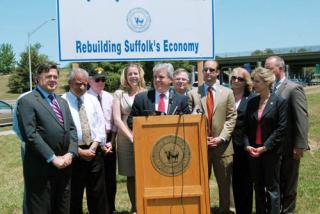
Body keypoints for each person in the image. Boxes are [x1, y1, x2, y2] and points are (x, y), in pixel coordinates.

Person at [16, 64, 78, 214]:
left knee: (62, 208)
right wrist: (52, 158)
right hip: (41, 168)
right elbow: (30, 135)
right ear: (37, 79)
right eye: (48, 76)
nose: (52, 80)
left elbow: (72, 130)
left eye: (55, 77)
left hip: (64, 166)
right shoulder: (27, 101)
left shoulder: (62, 102)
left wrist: (70, 153)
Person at [188, 60, 237, 214]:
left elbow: (231, 117)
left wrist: (221, 138)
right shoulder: (193, 93)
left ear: (218, 73)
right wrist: (201, 137)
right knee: (200, 183)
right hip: (200, 147)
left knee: (225, 184)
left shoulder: (227, 92)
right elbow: (190, 120)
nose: (208, 72)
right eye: (205, 70)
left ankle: (228, 211)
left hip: (223, 146)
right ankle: (202, 210)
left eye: (212, 70)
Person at [265, 56, 309, 214]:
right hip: (271, 147)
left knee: (289, 183)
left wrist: (300, 145)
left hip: (289, 146)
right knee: (274, 183)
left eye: (269, 68)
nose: (266, 71)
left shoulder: (293, 88)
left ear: (280, 69)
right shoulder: (267, 89)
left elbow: (301, 118)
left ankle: (288, 211)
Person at [62, 68, 109, 214]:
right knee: (74, 193)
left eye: (84, 84)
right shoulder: (62, 102)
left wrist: (94, 147)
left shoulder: (92, 99)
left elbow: (100, 125)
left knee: (97, 192)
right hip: (74, 152)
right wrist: (79, 151)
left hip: (94, 150)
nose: (82, 87)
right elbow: (62, 132)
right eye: (78, 84)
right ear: (70, 83)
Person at [244, 67, 287, 214]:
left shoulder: (280, 102)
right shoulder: (251, 102)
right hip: (253, 151)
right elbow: (245, 128)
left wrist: (265, 147)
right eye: (253, 81)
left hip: (271, 152)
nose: (253, 84)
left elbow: (281, 129)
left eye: (257, 81)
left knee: (272, 188)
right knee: (258, 186)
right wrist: (247, 146)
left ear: (267, 82)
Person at [112, 63, 146, 213]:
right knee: (131, 175)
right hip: (125, 138)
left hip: (144, 137)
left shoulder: (147, 92)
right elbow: (117, 119)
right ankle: (135, 207)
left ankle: (146, 205)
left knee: (145, 172)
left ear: (140, 75)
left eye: (135, 73)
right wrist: (131, 136)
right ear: (125, 76)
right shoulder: (119, 94)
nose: (133, 76)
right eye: (130, 74)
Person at [88, 67, 117, 214]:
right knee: (96, 182)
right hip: (93, 144)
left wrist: (111, 141)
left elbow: (113, 122)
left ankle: (111, 208)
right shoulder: (85, 97)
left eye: (103, 79)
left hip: (109, 143)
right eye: (97, 79)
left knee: (110, 180)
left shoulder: (109, 97)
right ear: (90, 80)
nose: (100, 82)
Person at [128, 62, 190, 127]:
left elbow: (187, 123)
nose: (157, 80)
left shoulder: (181, 99)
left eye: (161, 77)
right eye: (155, 77)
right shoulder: (141, 98)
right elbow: (131, 121)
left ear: (171, 79)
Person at [230, 67, 254, 214]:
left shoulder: (252, 98)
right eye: (233, 77)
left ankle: (245, 210)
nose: (236, 81)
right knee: (232, 182)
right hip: (226, 145)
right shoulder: (226, 95)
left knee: (245, 182)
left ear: (246, 82)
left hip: (244, 146)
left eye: (240, 78)